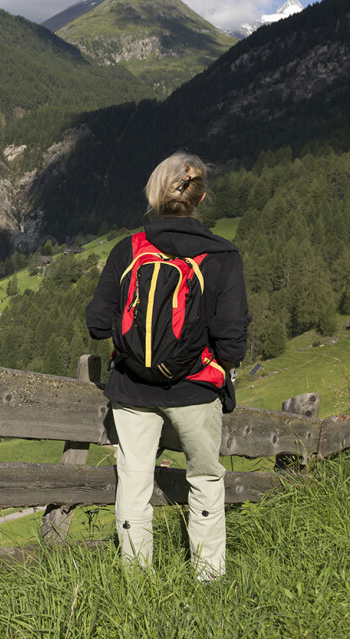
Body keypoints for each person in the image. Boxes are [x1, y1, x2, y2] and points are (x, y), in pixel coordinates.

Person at [85, 152, 250, 581]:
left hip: (131, 390)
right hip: (196, 390)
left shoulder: (130, 248)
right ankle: (209, 579)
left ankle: (136, 580)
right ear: (201, 196)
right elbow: (233, 341)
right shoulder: (223, 254)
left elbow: (98, 324)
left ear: (155, 194)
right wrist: (211, 365)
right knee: (205, 479)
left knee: (134, 484)